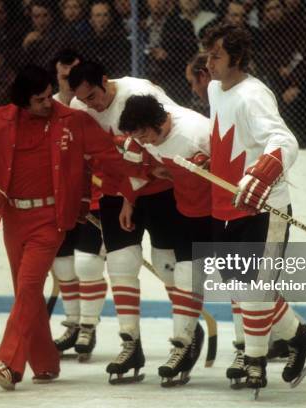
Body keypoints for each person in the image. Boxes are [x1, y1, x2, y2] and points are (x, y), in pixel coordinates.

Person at [0, 64, 128, 390]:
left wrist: (135, 190)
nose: (49, 103)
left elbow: (109, 156)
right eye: (39, 99)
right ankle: (46, 363)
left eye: (50, 95)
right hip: (13, 219)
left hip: (51, 220)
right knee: (26, 292)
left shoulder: (72, 121)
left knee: (29, 287)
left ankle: (8, 364)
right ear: (22, 101)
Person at [202, 23, 306, 392]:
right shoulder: (213, 88)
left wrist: (262, 174)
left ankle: (255, 361)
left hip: (264, 208)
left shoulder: (254, 95)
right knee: (240, 287)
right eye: (206, 54)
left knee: (255, 289)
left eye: (216, 55)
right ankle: (301, 337)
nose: (208, 62)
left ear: (236, 58)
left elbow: (284, 140)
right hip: (227, 204)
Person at [68, 60, 200, 384]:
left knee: (168, 264)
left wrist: (138, 184)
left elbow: (166, 135)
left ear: (105, 80)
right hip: (116, 190)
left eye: (94, 96)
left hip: (160, 188)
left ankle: (185, 337)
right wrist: (121, 194)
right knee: (120, 264)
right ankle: (130, 344)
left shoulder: (138, 92)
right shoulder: (79, 106)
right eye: (83, 100)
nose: (91, 105)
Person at [118, 94, 212, 386]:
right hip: (186, 208)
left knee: (241, 281)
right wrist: (129, 199)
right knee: (181, 272)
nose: (143, 141)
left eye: (144, 133)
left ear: (159, 122)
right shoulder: (143, 137)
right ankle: (183, 345)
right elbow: (132, 161)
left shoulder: (198, 132)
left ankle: (274, 340)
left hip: (219, 210)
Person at [50, 49, 108, 362]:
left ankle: (88, 326)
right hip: (64, 198)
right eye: (64, 66)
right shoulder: (48, 106)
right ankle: (73, 323)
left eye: (75, 67)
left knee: (86, 264)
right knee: (62, 265)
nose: (69, 72)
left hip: (96, 196)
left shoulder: (91, 103)